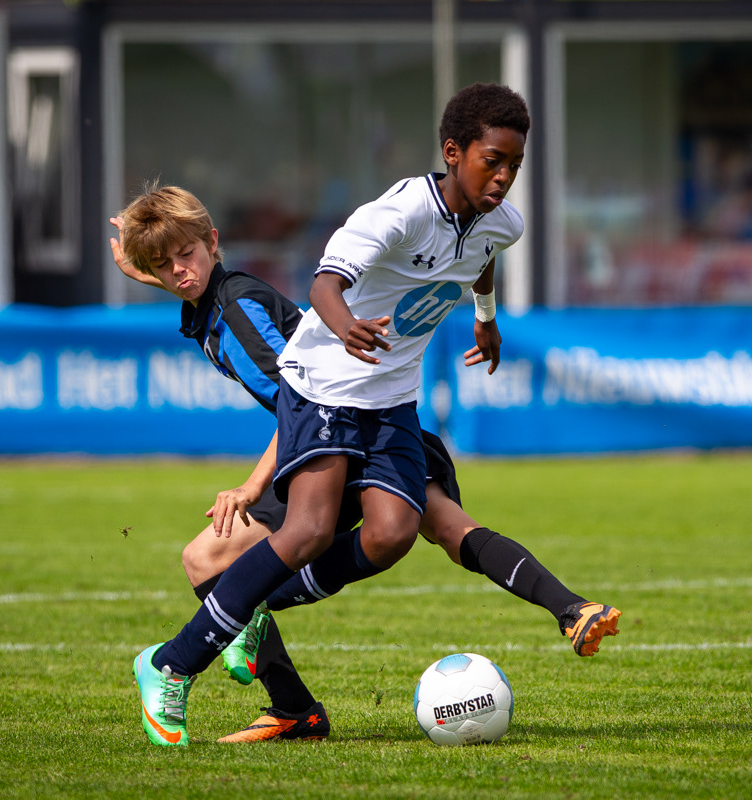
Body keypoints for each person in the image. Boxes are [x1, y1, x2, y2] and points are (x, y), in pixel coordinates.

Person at [119, 84, 620, 748]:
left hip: (387, 400)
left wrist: (486, 319)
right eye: (491, 160)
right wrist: (346, 327)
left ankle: (249, 624)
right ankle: (175, 664)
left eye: (513, 164)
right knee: (305, 534)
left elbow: (482, 259)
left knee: (393, 534)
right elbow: (325, 285)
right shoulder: (399, 211)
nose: (503, 176)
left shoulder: (503, 221)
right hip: (326, 388)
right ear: (453, 152)